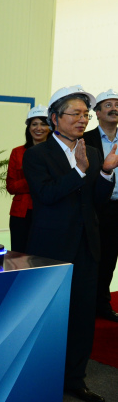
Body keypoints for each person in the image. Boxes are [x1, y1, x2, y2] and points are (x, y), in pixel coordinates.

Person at [23, 85, 118, 402]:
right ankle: (40, 377)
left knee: (81, 316)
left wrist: (105, 173)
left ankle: (76, 379)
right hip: (51, 248)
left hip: (87, 246)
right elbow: (47, 195)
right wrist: (78, 171)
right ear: (54, 118)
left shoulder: (92, 152)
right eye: (75, 114)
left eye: (85, 114)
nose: (82, 120)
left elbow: (97, 202)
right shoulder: (36, 155)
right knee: (48, 316)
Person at [83, 89, 118, 322]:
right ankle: (87, 304)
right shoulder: (86, 140)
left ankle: (103, 305)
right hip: (98, 206)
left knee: (110, 259)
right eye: (108, 105)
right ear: (97, 113)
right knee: (94, 257)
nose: (114, 108)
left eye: (117, 104)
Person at [6, 105, 51, 253]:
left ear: (50, 126)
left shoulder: (57, 153)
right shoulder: (17, 152)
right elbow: (11, 187)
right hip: (21, 213)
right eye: (34, 124)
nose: (39, 128)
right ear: (28, 127)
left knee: (44, 255)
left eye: (43, 124)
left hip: (48, 211)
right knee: (19, 256)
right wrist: (34, 179)